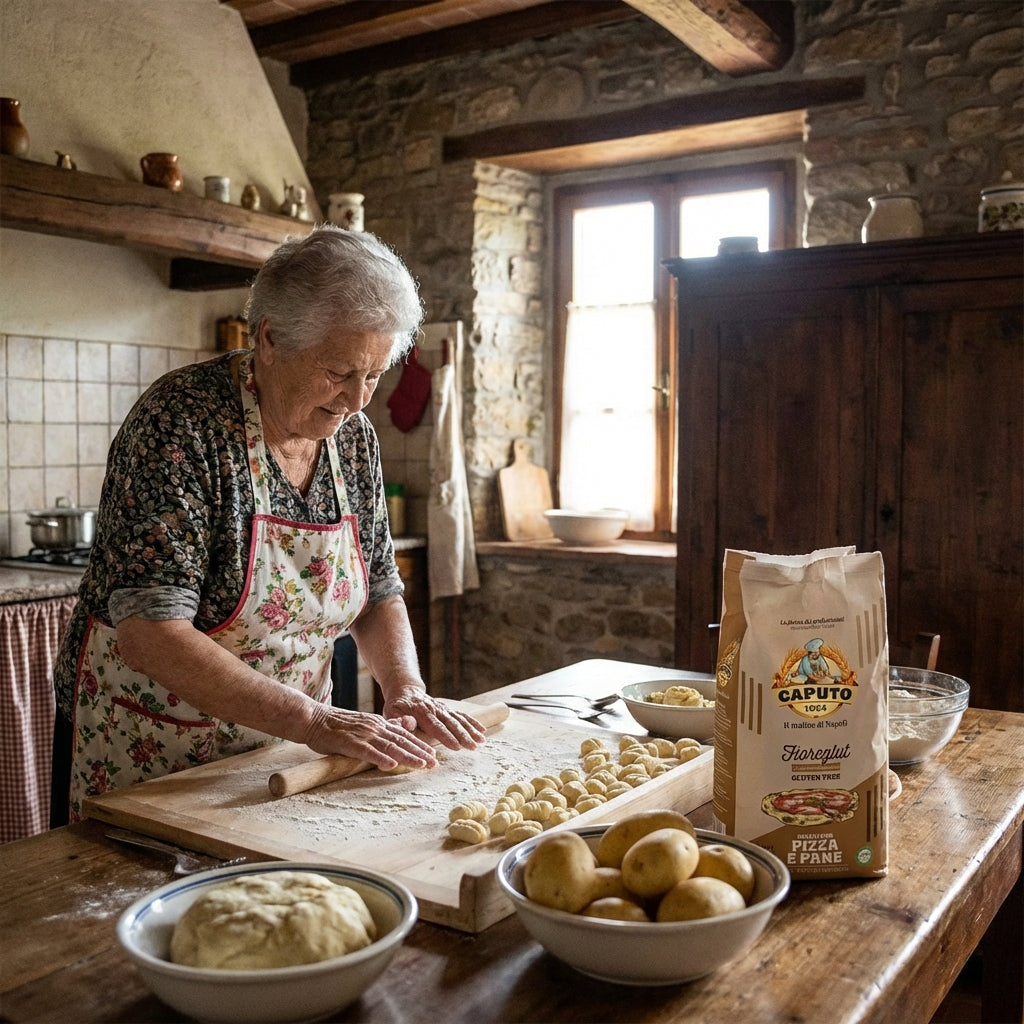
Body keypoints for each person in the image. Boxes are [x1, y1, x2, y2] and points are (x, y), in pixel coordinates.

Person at [50, 226, 486, 825]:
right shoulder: (181, 423)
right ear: (271, 338)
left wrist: (405, 687)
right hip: (156, 753)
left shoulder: (352, 436)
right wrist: (314, 720)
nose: (357, 399)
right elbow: (151, 631)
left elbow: (377, 589)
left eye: (374, 374)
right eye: (339, 371)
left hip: (286, 756)